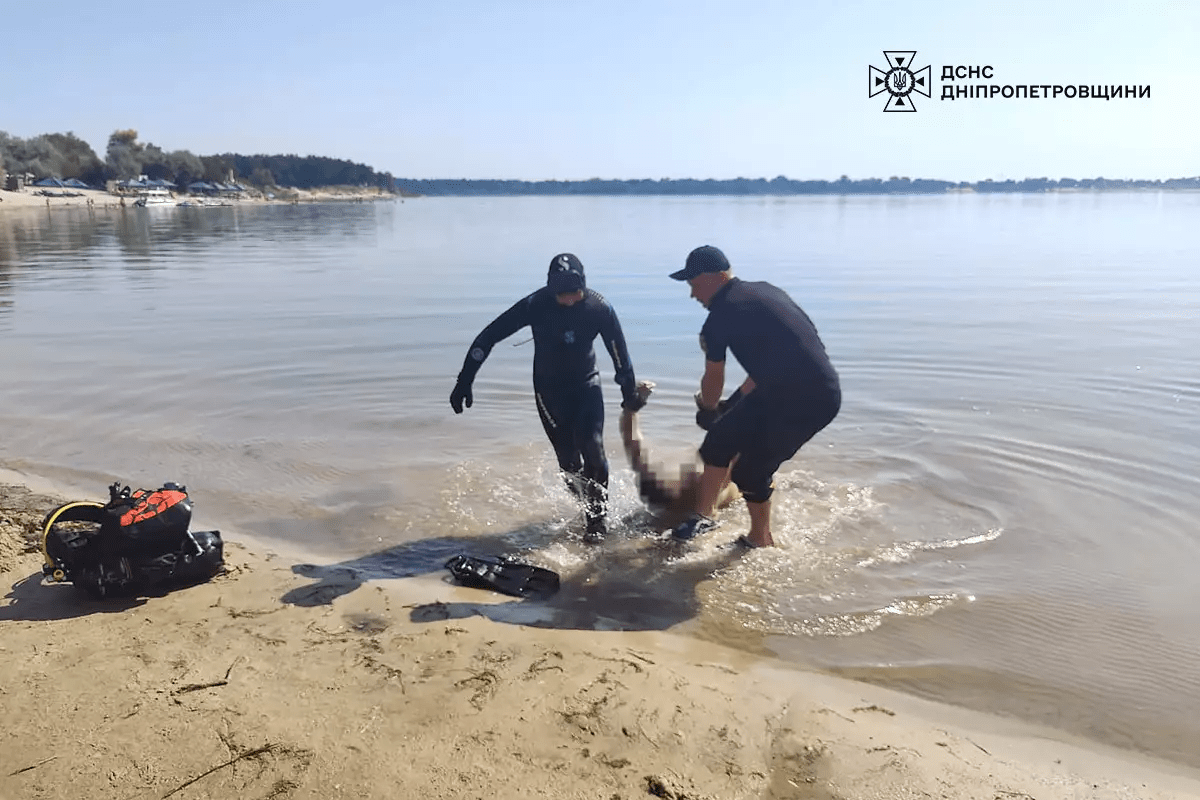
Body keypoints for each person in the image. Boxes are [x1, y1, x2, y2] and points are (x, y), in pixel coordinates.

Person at [449, 253, 646, 543]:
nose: (569, 300)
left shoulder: (598, 308)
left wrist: (629, 393)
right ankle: (586, 505)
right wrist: (464, 380)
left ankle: (597, 522)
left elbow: (620, 355)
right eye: (562, 295)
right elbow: (487, 337)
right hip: (549, 391)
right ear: (551, 289)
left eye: (575, 293)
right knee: (568, 464)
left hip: (586, 385)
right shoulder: (535, 305)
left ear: (584, 287)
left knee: (594, 448)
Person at [667, 245, 840, 548]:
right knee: (719, 439)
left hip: (808, 401)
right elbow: (769, 364)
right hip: (794, 389)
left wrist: (708, 409)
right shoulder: (765, 291)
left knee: (750, 470)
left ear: (713, 277)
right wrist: (731, 407)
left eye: (693, 285)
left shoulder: (719, 318)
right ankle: (703, 517)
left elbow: (713, 377)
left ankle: (761, 539)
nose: (693, 295)